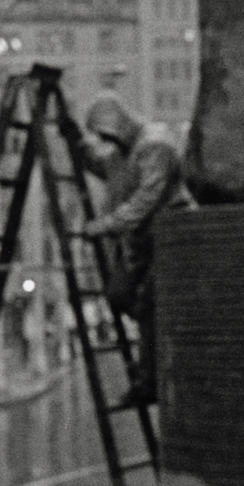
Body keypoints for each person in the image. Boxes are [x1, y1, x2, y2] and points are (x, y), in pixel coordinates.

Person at [77, 91, 193, 406]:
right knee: (120, 294)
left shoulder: (155, 145)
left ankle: (149, 380)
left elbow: (147, 198)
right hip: (139, 244)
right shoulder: (123, 153)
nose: (106, 141)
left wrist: (106, 224)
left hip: (168, 240)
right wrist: (78, 145)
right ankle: (152, 344)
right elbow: (105, 166)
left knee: (152, 306)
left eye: (106, 134)